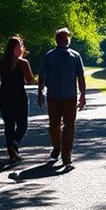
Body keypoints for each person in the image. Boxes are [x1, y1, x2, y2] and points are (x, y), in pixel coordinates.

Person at [37, 27, 86, 166]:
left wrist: (82, 95)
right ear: (58, 40)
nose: (65, 39)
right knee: (54, 125)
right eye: (63, 37)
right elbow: (42, 75)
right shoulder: (50, 56)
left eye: (66, 37)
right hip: (53, 96)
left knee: (68, 125)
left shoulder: (75, 55)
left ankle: (66, 154)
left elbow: (80, 76)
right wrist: (40, 92)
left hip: (70, 96)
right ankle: (58, 147)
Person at [0, 36, 35, 165]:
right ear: (16, 48)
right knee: (22, 125)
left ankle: (12, 153)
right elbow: (30, 80)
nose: (23, 48)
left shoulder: (0, 63)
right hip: (19, 97)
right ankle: (14, 144)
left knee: (9, 125)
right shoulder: (23, 63)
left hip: (4, 97)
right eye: (21, 45)